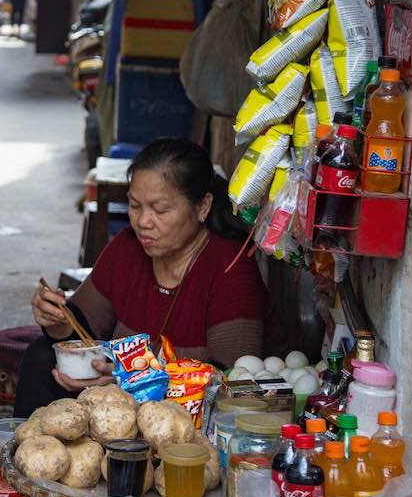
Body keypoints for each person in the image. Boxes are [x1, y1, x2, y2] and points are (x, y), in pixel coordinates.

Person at [14, 138, 265, 416]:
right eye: (134, 206)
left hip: (188, 414)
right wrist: (56, 318)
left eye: (160, 210)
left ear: (202, 206)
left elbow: (229, 379)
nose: (143, 221)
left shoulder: (230, 267)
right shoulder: (127, 249)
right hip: (119, 405)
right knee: (41, 357)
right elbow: (81, 329)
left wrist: (132, 380)